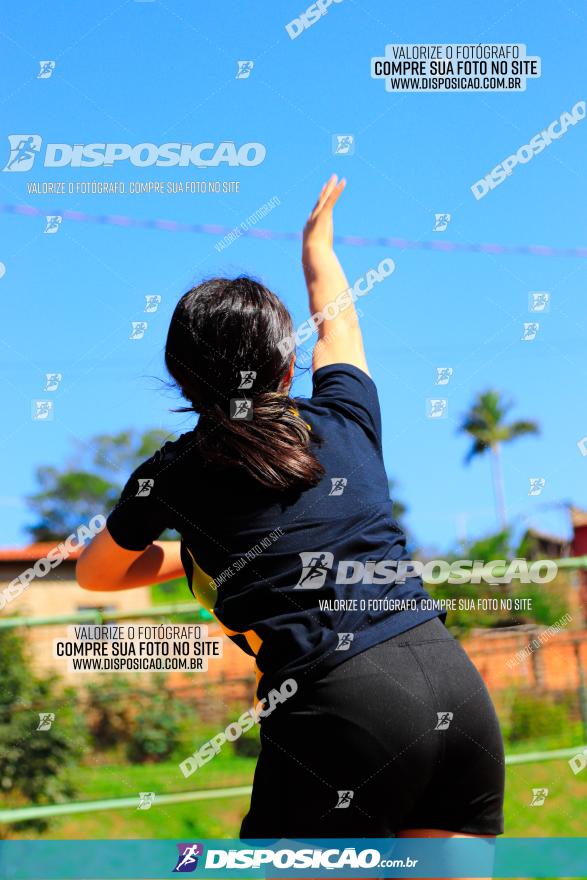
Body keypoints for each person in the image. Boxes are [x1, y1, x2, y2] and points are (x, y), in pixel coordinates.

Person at [77, 176, 505, 853]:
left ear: (180, 375)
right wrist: (317, 245)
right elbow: (339, 319)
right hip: (454, 686)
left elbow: (96, 576)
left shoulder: (169, 473)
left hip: (342, 705)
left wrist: (193, 556)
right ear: (286, 363)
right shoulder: (344, 414)